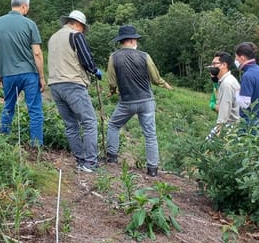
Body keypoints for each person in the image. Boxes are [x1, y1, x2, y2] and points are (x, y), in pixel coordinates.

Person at [105, 25, 173, 177]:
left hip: (127, 101)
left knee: (113, 125)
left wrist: (112, 91)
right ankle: (152, 169)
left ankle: (112, 158)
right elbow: (155, 78)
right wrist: (164, 84)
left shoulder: (113, 57)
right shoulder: (145, 56)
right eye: (135, 39)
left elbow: (112, 81)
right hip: (146, 100)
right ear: (131, 40)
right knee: (150, 134)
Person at [47, 10, 103, 172]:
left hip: (55, 85)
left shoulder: (53, 38)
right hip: (73, 84)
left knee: (71, 125)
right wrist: (94, 70)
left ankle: (80, 160)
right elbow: (86, 59)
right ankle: (91, 163)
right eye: (83, 28)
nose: (83, 31)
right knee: (89, 122)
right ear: (78, 24)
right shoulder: (75, 35)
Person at [0, 0, 46, 146]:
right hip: (29, 74)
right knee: (35, 110)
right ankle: (36, 145)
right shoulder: (30, 24)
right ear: (24, 6)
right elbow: (37, 52)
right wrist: (41, 77)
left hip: (8, 73)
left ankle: (3, 142)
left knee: (8, 106)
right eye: (27, 7)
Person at [233, 42, 259, 125]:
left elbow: (244, 104)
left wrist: (237, 92)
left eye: (236, 57)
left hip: (252, 121)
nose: (236, 60)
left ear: (242, 58)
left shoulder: (248, 75)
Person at [205, 51, 241, 140]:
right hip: (232, 125)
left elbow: (224, 111)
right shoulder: (226, 81)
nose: (212, 66)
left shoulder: (227, 84)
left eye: (214, 64)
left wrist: (219, 131)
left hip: (230, 126)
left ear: (224, 65)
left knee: (209, 146)